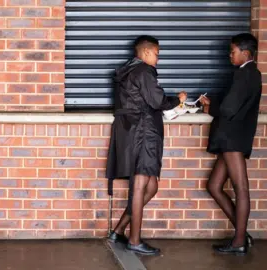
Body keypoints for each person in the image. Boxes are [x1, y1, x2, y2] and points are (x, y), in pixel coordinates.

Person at [106, 35, 187, 256]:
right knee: (141, 186)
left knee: (151, 187)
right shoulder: (143, 71)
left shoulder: (127, 71)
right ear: (147, 52)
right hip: (143, 133)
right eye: (157, 55)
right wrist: (178, 100)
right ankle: (134, 240)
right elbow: (157, 101)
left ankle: (119, 230)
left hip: (133, 132)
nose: (158, 60)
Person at [199, 33, 261, 255]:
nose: (229, 55)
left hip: (233, 138)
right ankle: (242, 235)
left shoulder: (244, 75)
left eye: (232, 51)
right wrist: (214, 102)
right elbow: (231, 103)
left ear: (245, 52)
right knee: (214, 186)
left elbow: (227, 109)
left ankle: (239, 242)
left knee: (240, 188)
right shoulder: (249, 74)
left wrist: (210, 108)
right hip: (231, 138)